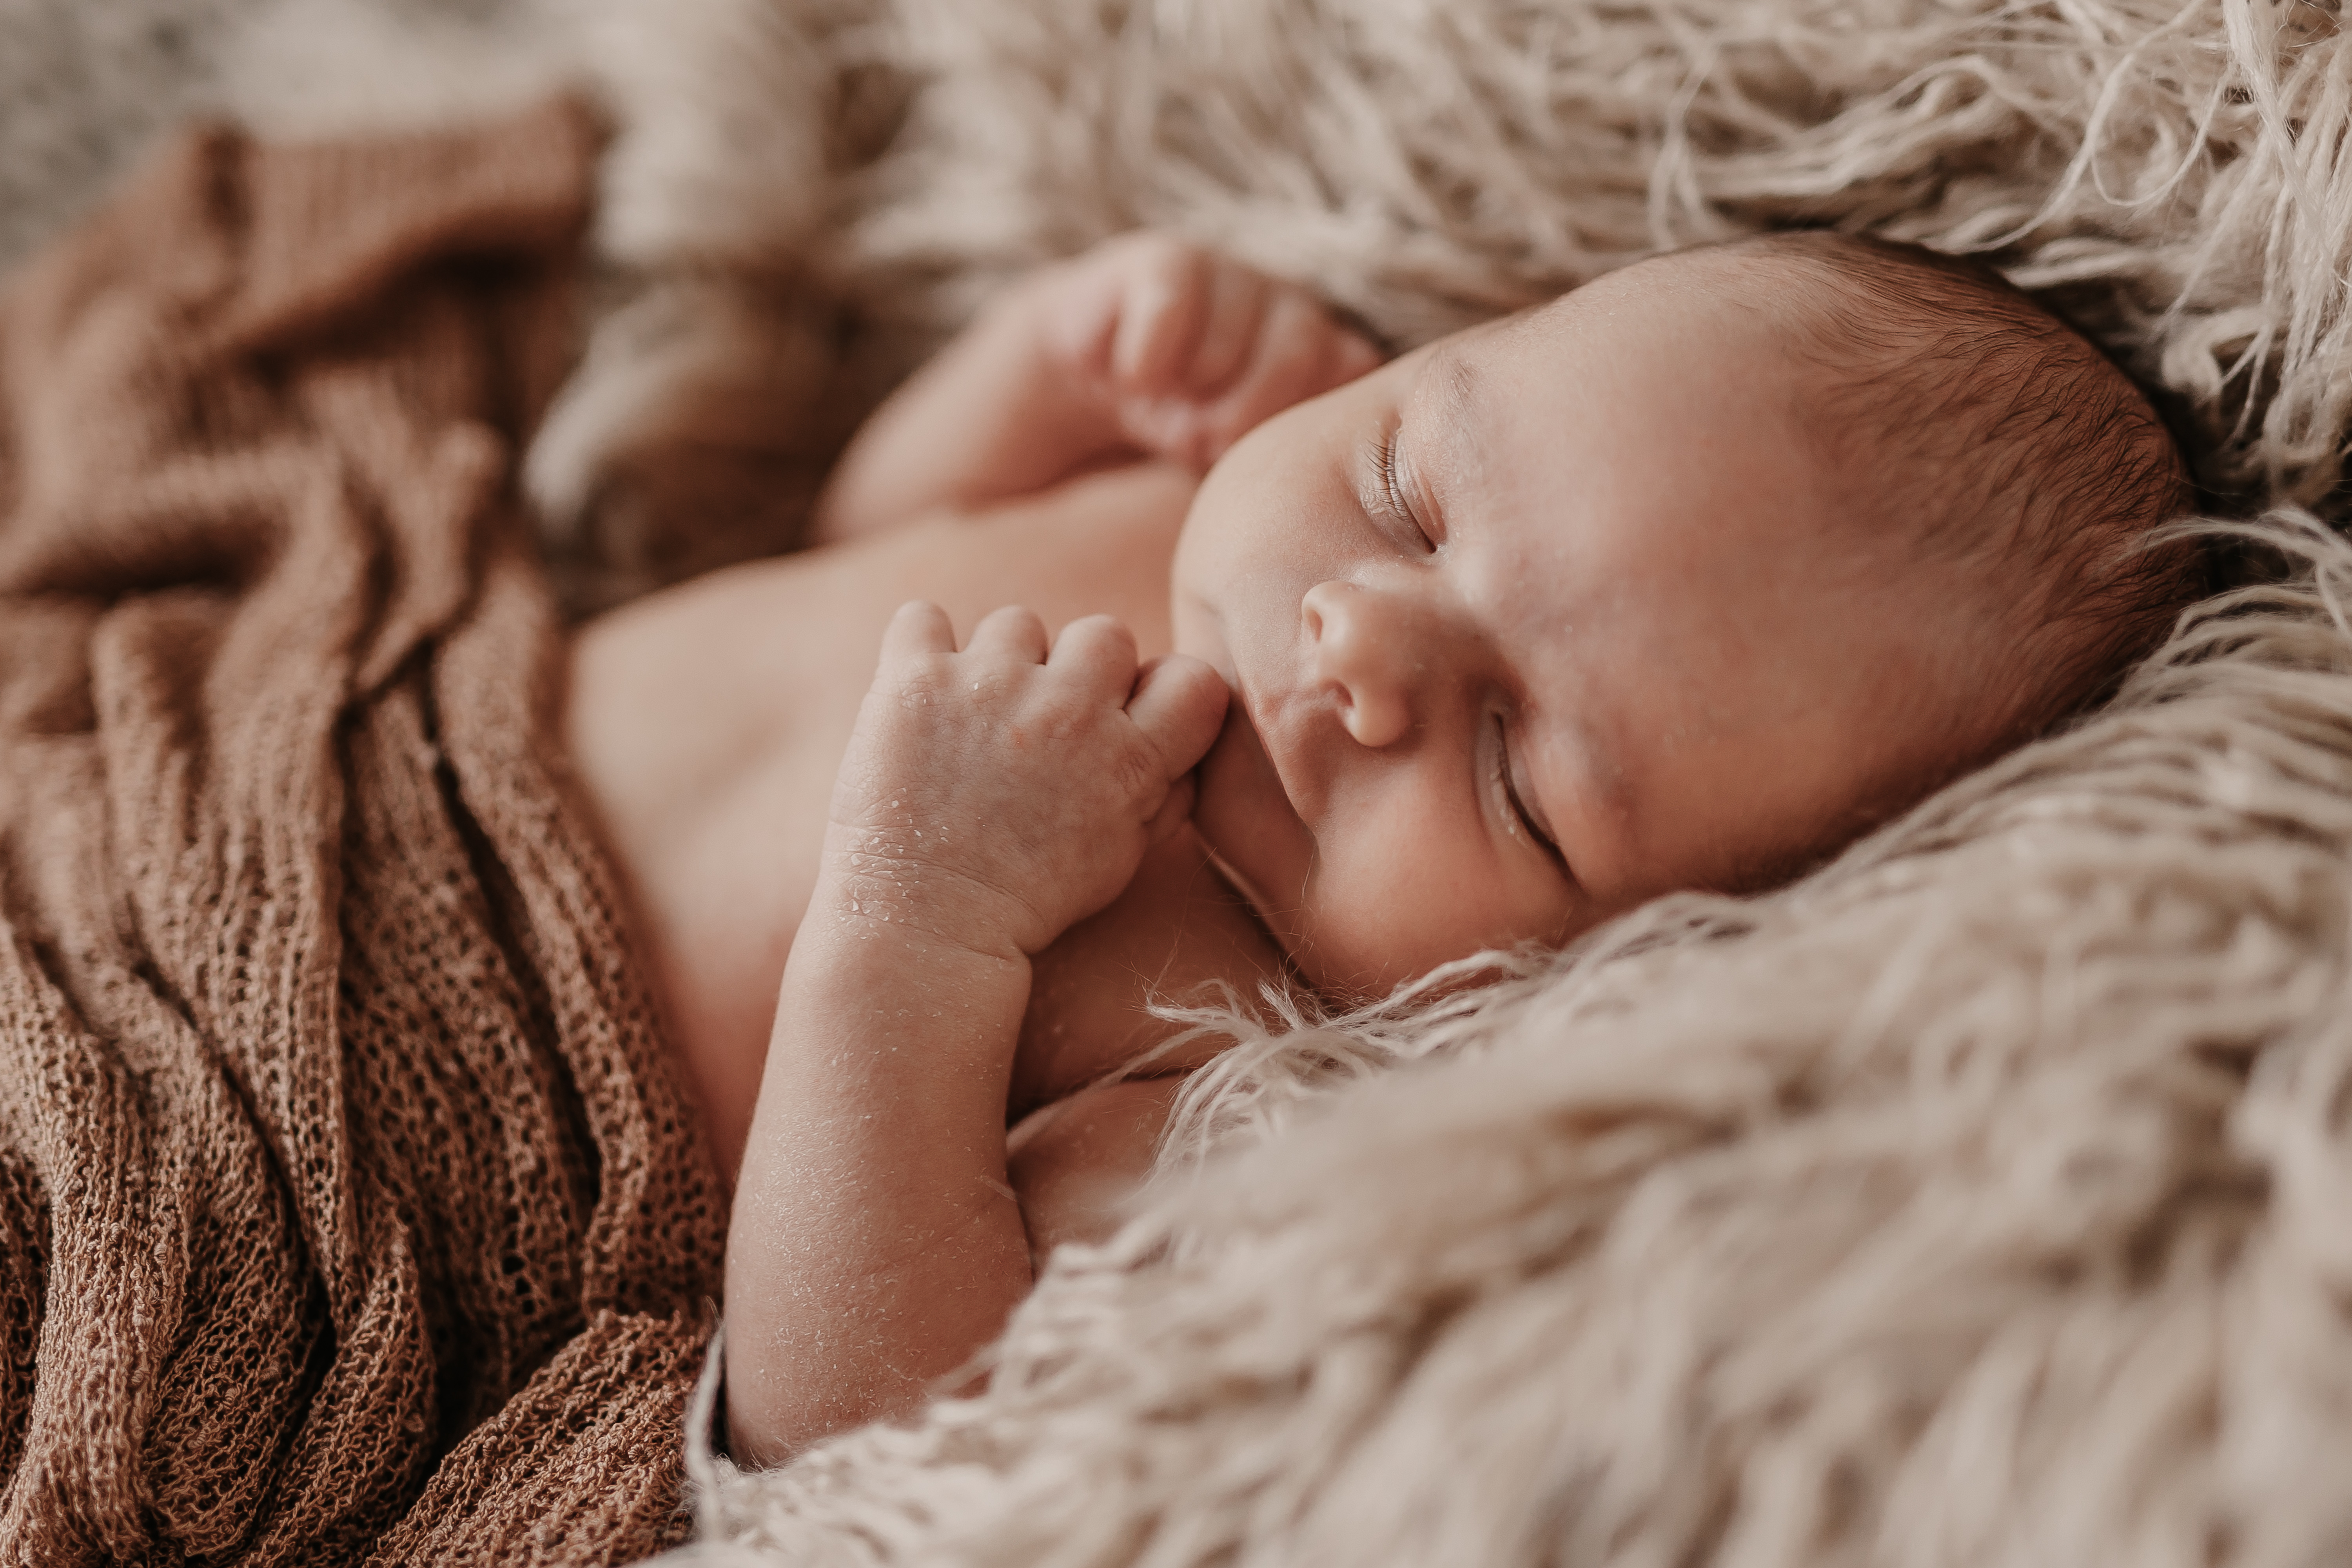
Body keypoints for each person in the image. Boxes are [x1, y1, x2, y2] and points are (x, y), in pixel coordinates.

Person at [562, 229, 2195, 1465]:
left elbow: (851, 1425)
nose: (1362, 642)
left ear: (1611, 970)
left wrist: (914, 924)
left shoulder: (1215, 1074)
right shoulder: (1206, 495)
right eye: (1412, 491)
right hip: (425, 690)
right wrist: (1043, 368)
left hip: (446, 1055)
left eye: (1516, 773)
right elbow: (862, 552)